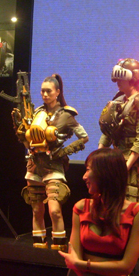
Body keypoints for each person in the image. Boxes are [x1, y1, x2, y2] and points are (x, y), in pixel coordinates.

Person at [58, 148, 139, 276]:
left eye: (88, 169)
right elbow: (74, 262)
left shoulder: (137, 212)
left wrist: (82, 264)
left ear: (106, 173)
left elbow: (126, 266)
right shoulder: (81, 207)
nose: (84, 176)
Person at [20, 74, 88, 250]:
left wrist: (64, 151)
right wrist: (22, 135)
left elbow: (84, 137)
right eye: (42, 91)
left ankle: (59, 247)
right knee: (36, 210)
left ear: (57, 92)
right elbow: (28, 142)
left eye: (48, 91)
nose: (45, 94)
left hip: (54, 166)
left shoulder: (66, 115)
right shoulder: (36, 113)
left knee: (55, 210)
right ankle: (38, 247)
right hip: (34, 165)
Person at [99, 58, 139, 203]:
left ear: (133, 79)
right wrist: (98, 155)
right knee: (110, 200)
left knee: (128, 201)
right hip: (115, 159)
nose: (118, 82)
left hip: (131, 162)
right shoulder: (119, 101)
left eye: (122, 78)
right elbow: (108, 131)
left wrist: (126, 167)